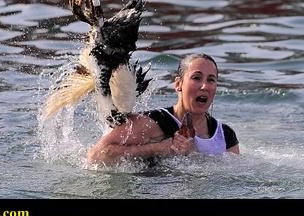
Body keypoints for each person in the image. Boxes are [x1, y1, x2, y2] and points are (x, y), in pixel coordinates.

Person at [87, 53, 239, 165]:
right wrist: (157, 148)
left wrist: (193, 154)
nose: (204, 86)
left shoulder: (225, 136)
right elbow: (96, 155)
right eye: (196, 78)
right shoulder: (153, 122)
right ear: (178, 84)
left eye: (211, 80)